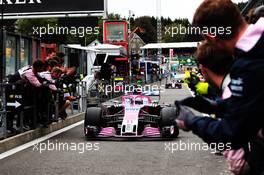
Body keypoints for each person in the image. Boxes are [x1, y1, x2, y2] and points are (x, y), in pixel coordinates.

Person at [176, 0, 264, 174]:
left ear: (211, 37)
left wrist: (192, 121)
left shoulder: (249, 63)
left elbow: (232, 133)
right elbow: (254, 101)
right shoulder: (257, 44)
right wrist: (217, 106)